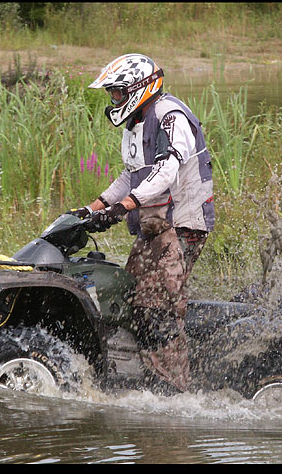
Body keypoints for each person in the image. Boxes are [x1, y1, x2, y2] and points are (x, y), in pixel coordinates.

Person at [68, 54, 215, 392]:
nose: (113, 100)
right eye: (111, 94)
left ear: (139, 88)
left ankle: (172, 391)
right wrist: (94, 208)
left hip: (181, 225)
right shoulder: (136, 125)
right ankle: (138, 375)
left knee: (158, 307)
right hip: (154, 228)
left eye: (117, 93)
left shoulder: (170, 116)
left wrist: (126, 205)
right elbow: (130, 175)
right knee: (130, 295)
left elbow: (168, 169)